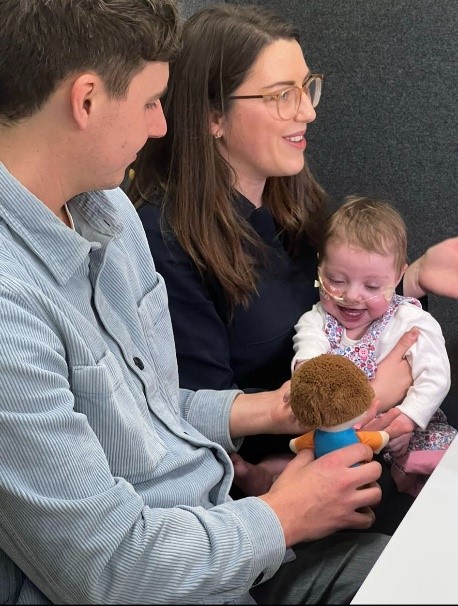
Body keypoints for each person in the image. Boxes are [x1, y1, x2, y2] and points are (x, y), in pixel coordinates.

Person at [0, 1, 398, 604]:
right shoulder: (12, 309)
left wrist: (271, 409)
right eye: (151, 102)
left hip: (221, 531)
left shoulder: (106, 215)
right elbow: (110, 567)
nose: (162, 125)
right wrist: (286, 514)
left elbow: (150, 409)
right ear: (85, 102)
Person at [126, 3, 458, 502]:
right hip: (280, 493)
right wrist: (373, 394)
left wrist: (409, 281)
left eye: (306, 88)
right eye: (283, 95)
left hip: (361, 448)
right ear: (214, 117)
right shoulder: (166, 241)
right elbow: (198, 420)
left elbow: (331, 309)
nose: (308, 110)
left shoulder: (294, 203)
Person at [291, 195, 455, 496]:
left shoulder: (410, 320)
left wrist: (407, 418)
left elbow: (436, 375)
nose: (352, 296)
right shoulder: (316, 321)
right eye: (336, 280)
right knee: (306, 460)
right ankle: (266, 477)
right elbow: (308, 359)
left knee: (442, 462)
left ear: (398, 276)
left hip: (409, 427)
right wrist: (306, 376)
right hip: (340, 437)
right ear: (320, 268)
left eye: (372, 286)